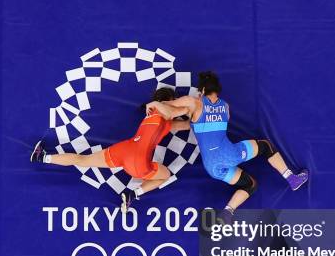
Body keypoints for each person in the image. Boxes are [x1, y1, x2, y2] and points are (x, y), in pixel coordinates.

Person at [147, 71, 309, 223]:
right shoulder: (225, 107)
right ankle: (291, 178)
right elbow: (201, 123)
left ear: (201, 90)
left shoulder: (193, 102)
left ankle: (227, 214)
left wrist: (155, 105)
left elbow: (169, 111)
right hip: (229, 154)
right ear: (217, 89)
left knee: (250, 183)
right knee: (265, 147)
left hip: (212, 168)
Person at [31, 88, 190, 212]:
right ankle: (133, 194)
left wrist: (156, 105)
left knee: (83, 160)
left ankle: (42, 157)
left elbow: (186, 125)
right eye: (175, 100)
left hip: (124, 149)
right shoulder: (165, 111)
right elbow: (183, 112)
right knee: (166, 175)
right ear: (169, 100)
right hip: (138, 161)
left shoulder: (155, 114)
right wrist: (197, 108)